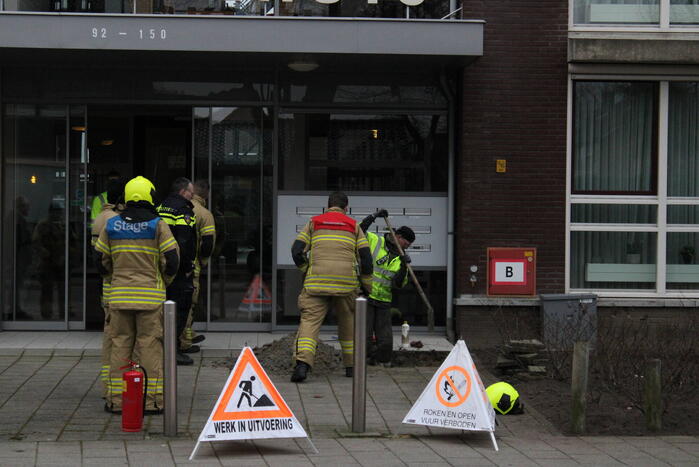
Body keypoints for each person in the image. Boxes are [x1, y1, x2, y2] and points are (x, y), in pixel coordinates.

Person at [95, 176, 179, 414]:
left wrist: (114, 279)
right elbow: (172, 261)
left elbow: (99, 261)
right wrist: (163, 281)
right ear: (149, 195)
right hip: (151, 299)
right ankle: (152, 402)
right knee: (150, 347)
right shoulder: (158, 224)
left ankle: (116, 401)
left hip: (119, 298)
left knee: (120, 346)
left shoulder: (112, 224)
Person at [289, 191, 373, 382]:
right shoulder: (353, 226)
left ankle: (302, 365)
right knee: (348, 322)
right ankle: (351, 367)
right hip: (346, 284)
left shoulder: (314, 223)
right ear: (346, 208)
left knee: (309, 322)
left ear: (327, 206)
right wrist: (368, 287)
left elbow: (296, 251)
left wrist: (306, 269)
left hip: (316, 283)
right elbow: (366, 259)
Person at [359, 210, 414, 367]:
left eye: (409, 246)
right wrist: (373, 216)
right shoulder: (375, 240)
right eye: (406, 243)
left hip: (383, 301)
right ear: (398, 237)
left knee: (385, 338)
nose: (406, 247)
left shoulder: (400, 258)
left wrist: (404, 266)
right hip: (367, 296)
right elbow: (359, 231)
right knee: (366, 334)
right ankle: (365, 361)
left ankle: (382, 361)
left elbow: (398, 284)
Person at [91, 177, 125, 400]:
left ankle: (108, 383)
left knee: (110, 334)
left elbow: (98, 257)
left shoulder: (99, 218)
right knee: (118, 337)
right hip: (116, 285)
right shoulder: (114, 220)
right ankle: (115, 385)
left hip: (106, 284)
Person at [157, 177, 197, 366]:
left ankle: (163, 348)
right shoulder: (183, 210)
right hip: (179, 269)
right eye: (191, 192)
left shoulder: (160, 207)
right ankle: (173, 350)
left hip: (163, 266)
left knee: (165, 308)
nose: (193, 195)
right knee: (181, 307)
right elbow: (184, 240)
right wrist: (187, 266)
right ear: (183, 192)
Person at [179, 179, 216, 354]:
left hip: (175, 264)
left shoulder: (180, 209)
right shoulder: (204, 213)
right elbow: (208, 243)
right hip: (192, 265)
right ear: (206, 193)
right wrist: (203, 260)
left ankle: (186, 334)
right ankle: (183, 342)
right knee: (189, 303)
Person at [33, 202, 66, 320]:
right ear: (50, 212)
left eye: (59, 212)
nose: (58, 214)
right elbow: (36, 241)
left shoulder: (62, 225)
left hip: (61, 262)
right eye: (56, 212)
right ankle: (46, 314)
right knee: (47, 291)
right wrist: (45, 253)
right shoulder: (43, 225)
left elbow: (71, 240)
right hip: (47, 263)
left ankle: (64, 313)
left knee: (63, 290)